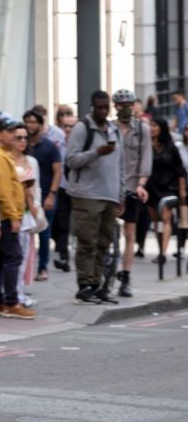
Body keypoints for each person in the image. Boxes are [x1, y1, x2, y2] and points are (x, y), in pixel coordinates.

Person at [66, 90, 125, 305]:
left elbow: (121, 165)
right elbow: (72, 160)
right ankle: (85, 285)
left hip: (109, 195)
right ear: (92, 107)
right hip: (87, 195)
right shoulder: (82, 129)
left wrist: (121, 194)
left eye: (105, 107)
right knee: (87, 242)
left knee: (103, 243)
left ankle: (98, 285)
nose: (103, 111)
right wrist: (96, 153)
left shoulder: (114, 130)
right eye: (99, 107)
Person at [0, 119, 36, 318]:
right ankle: (11, 302)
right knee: (13, 257)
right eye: (9, 131)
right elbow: (3, 190)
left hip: (2, 214)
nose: (14, 135)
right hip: (5, 215)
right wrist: (13, 216)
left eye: (15, 131)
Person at [111, 89, 152, 297]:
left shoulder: (141, 129)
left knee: (130, 233)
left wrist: (141, 184)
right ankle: (106, 272)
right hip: (111, 186)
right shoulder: (110, 129)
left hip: (132, 185)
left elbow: (145, 157)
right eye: (121, 105)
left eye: (129, 104)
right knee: (106, 231)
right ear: (115, 107)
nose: (126, 108)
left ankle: (125, 277)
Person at [24, 109, 62, 281]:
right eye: (27, 122)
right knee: (27, 234)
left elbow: (57, 171)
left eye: (33, 122)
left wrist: (52, 195)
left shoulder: (49, 146)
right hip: (27, 195)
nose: (30, 125)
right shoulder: (22, 146)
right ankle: (27, 269)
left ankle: (42, 267)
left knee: (44, 232)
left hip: (46, 194)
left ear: (40, 124)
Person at [147, 119, 188, 265]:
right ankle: (160, 250)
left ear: (162, 128)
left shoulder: (171, 147)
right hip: (151, 188)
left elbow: (181, 170)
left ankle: (163, 253)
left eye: (154, 125)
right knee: (156, 221)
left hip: (169, 189)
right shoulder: (146, 146)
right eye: (150, 125)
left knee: (165, 218)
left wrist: (182, 190)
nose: (151, 128)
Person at [10, 123, 41, 311]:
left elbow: (36, 189)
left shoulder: (31, 161)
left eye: (25, 138)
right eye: (18, 137)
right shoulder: (6, 160)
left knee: (25, 257)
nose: (22, 141)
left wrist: (35, 207)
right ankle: (13, 295)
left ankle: (20, 293)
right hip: (13, 213)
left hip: (28, 213)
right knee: (14, 258)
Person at [51, 108, 78, 271]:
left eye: (71, 126)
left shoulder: (81, 144)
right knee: (61, 223)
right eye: (64, 126)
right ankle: (63, 256)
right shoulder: (57, 143)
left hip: (79, 188)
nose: (67, 130)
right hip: (62, 187)